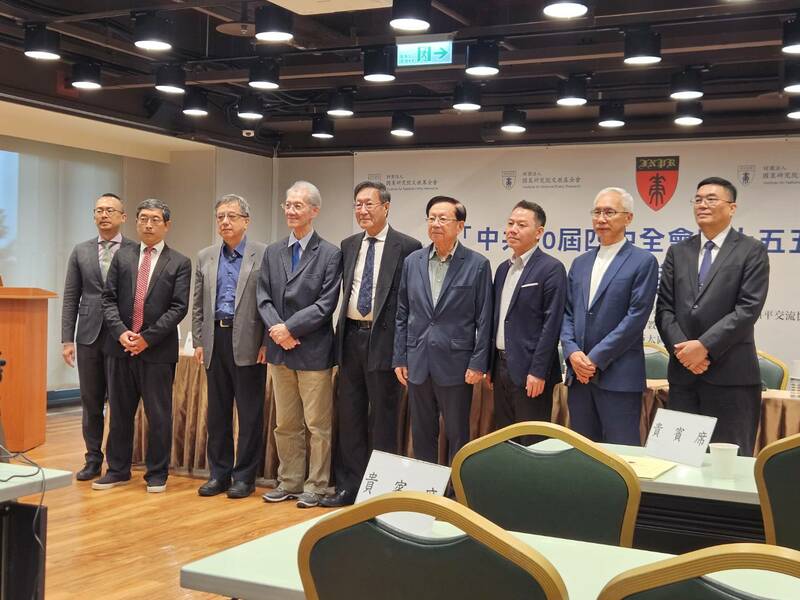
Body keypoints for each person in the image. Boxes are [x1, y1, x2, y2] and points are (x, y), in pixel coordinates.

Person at [321, 182, 421, 508]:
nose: (362, 211)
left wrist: (403, 351)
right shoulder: (349, 245)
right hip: (351, 338)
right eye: (358, 204)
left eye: (369, 204)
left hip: (385, 343)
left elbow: (409, 304)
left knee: (384, 418)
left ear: (386, 207)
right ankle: (349, 486)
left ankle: (382, 489)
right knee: (349, 416)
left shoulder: (407, 247)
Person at [656, 177, 769, 456]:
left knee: (726, 466)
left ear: (732, 208)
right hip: (683, 377)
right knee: (677, 460)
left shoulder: (751, 250)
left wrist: (704, 347)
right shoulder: (678, 251)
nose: (702, 205)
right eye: (698, 200)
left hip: (731, 378)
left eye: (711, 199)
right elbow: (664, 309)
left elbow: (747, 309)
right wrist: (685, 352)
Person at [94, 199, 191, 492]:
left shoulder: (179, 262)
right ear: (136, 222)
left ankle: (157, 473)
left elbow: (179, 307)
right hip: (120, 348)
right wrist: (121, 333)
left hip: (157, 352)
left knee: (158, 415)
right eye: (143, 219)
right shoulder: (122, 258)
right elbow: (108, 299)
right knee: (119, 413)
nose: (148, 225)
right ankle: (118, 469)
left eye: (155, 220)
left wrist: (147, 338)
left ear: (167, 225)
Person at [257, 181, 342, 508]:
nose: (291, 211)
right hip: (279, 350)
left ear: (314, 211)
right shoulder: (273, 251)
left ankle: (316, 486)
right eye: (288, 205)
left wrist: (290, 328)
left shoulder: (330, 253)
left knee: (317, 426)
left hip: (313, 351)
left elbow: (326, 304)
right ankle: (289, 481)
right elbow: (263, 297)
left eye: (298, 205)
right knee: (286, 423)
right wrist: (278, 330)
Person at [393, 196, 492, 465]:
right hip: (418, 361)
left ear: (460, 226)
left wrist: (478, 362)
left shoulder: (477, 264)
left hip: (456, 364)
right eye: (432, 218)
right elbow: (402, 313)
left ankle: (455, 486)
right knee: (422, 433)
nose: (436, 224)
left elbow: (485, 319)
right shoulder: (413, 261)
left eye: (443, 219)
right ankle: (427, 485)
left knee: (458, 433)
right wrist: (400, 357)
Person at [560, 187, 659, 445]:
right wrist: (572, 352)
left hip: (619, 377)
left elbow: (636, 317)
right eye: (597, 212)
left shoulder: (643, 261)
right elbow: (567, 312)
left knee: (621, 452)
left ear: (628, 218)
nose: (601, 219)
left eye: (609, 212)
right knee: (582, 451)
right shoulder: (580, 262)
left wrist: (594, 359)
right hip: (579, 377)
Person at [192, 194, 268, 499]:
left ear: (246, 221)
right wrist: (199, 340)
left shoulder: (263, 254)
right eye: (220, 216)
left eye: (232, 216)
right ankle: (219, 474)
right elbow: (198, 304)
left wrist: (266, 342)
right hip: (215, 339)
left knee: (249, 414)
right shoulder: (205, 256)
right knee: (217, 414)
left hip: (250, 341)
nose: (225, 222)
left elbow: (271, 302)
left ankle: (244, 477)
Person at [61, 193, 137, 481]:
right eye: (99, 210)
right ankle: (92, 458)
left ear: (123, 217)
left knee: (120, 403)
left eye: (109, 210)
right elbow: (71, 296)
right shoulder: (81, 251)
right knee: (91, 401)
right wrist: (67, 339)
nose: (103, 215)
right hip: (89, 335)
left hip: (122, 336)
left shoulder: (135, 250)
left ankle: (118, 462)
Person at [491, 201, 566, 444]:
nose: (513, 229)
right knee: (505, 441)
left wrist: (538, 371)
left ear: (539, 232)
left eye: (522, 225)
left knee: (531, 443)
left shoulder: (551, 268)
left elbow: (551, 325)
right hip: (501, 368)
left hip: (531, 373)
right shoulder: (502, 269)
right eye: (510, 223)